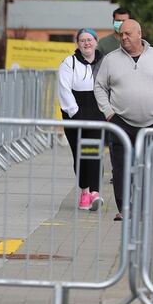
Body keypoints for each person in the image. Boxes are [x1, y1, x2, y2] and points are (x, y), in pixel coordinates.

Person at [94, 19, 153, 221]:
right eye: (121, 34)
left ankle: (143, 207)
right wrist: (108, 113)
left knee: (148, 167)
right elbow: (99, 87)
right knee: (120, 167)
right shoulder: (111, 59)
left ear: (140, 34)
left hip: (152, 123)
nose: (124, 37)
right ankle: (124, 208)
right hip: (120, 121)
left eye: (128, 34)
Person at [57, 28, 106, 211]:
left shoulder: (104, 62)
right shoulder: (69, 63)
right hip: (75, 113)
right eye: (82, 40)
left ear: (96, 41)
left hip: (96, 111)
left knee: (93, 151)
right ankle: (84, 190)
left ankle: (95, 192)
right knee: (80, 154)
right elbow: (64, 88)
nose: (86, 43)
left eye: (89, 39)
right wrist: (75, 113)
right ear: (78, 44)